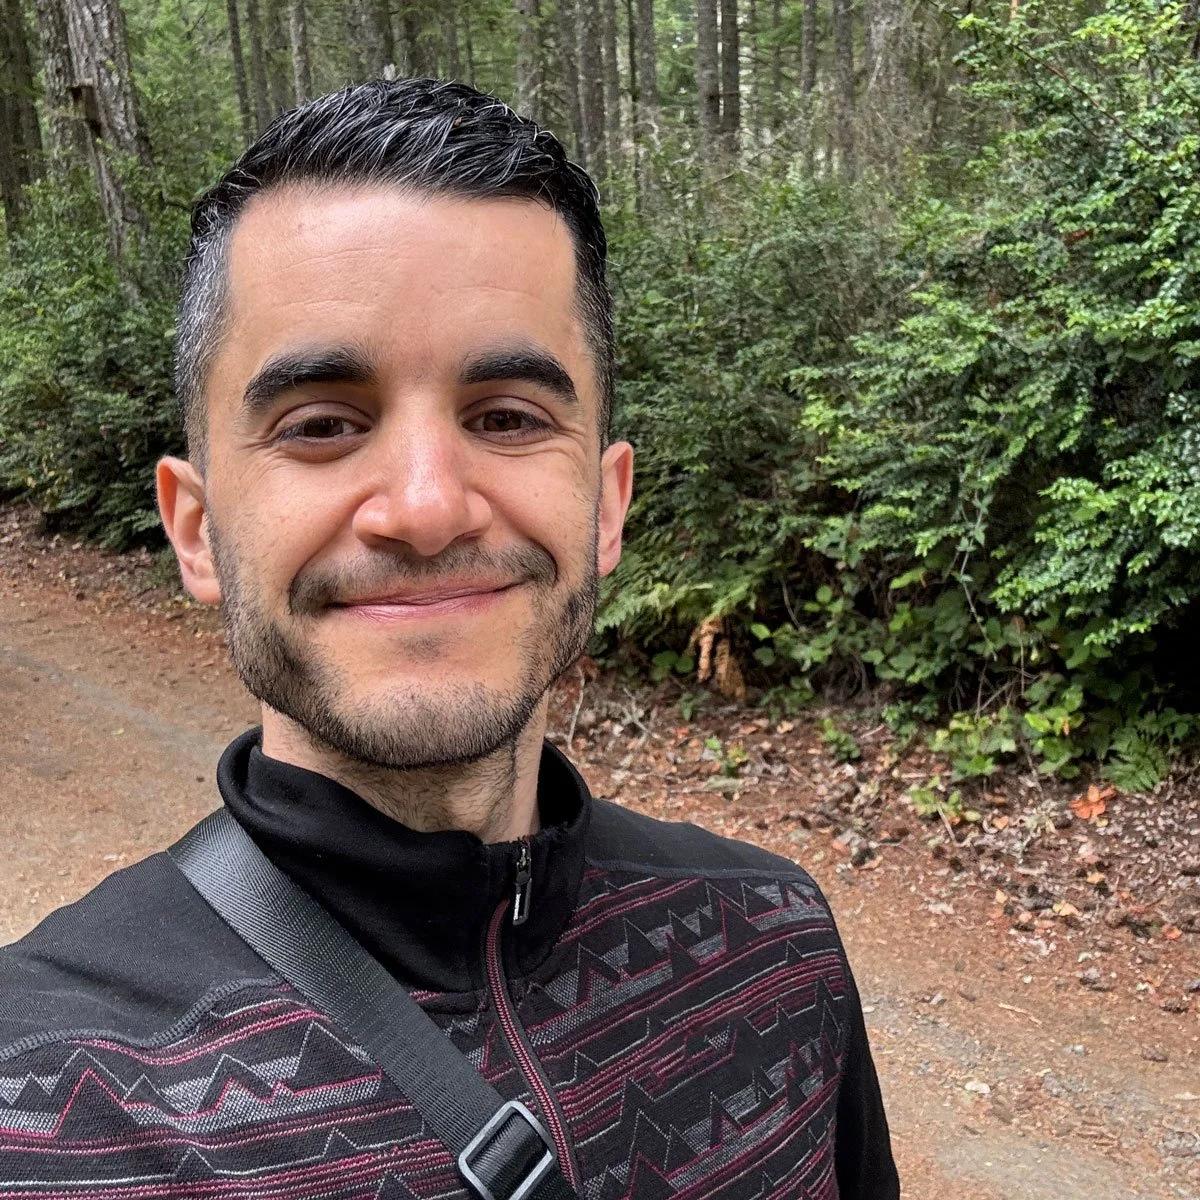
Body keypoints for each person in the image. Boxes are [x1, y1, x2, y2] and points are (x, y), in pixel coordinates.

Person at [0, 79, 898, 1199]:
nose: (426, 508)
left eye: (509, 417)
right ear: (195, 527)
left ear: (606, 505)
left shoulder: (776, 948)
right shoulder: (41, 1108)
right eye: (321, 425)